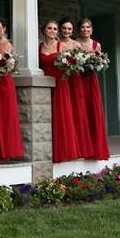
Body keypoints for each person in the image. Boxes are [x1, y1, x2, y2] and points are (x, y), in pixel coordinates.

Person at [38, 20, 81, 162]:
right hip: (45, 83)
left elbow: (70, 65)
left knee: (61, 116)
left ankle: (63, 151)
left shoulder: (61, 46)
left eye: (55, 29)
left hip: (60, 83)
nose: (52, 31)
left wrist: (65, 74)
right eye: (49, 28)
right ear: (44, 30)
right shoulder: (38, 47)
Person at [0, 19, 24, 161]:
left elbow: (11, 65)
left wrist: (6, 65)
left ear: (4, 28)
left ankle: (8, 151)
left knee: (5, 115)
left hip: (3, 83)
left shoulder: (8, 44)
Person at [75, 18, 111, 160]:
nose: (85, 29)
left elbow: (100, 63)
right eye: (83, 27)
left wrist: (98, 63)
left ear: (91, 29)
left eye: (88, 27)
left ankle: (96, 147)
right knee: (80, 111)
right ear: (79, 29)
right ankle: (81, 146)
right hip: (78, 80)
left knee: (92, 110)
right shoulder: (75, 43)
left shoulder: (97, 45)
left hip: (91, 80)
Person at [59, 18, 92, 157]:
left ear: (72, 31)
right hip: (63, 79)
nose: (67, 31)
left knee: (78, 111)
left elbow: (83, 62)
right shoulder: (58, 44)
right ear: (61, 29)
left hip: (75, 79)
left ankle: (80, 146)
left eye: (69, 29)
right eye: (64, 28)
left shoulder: (76, 44)